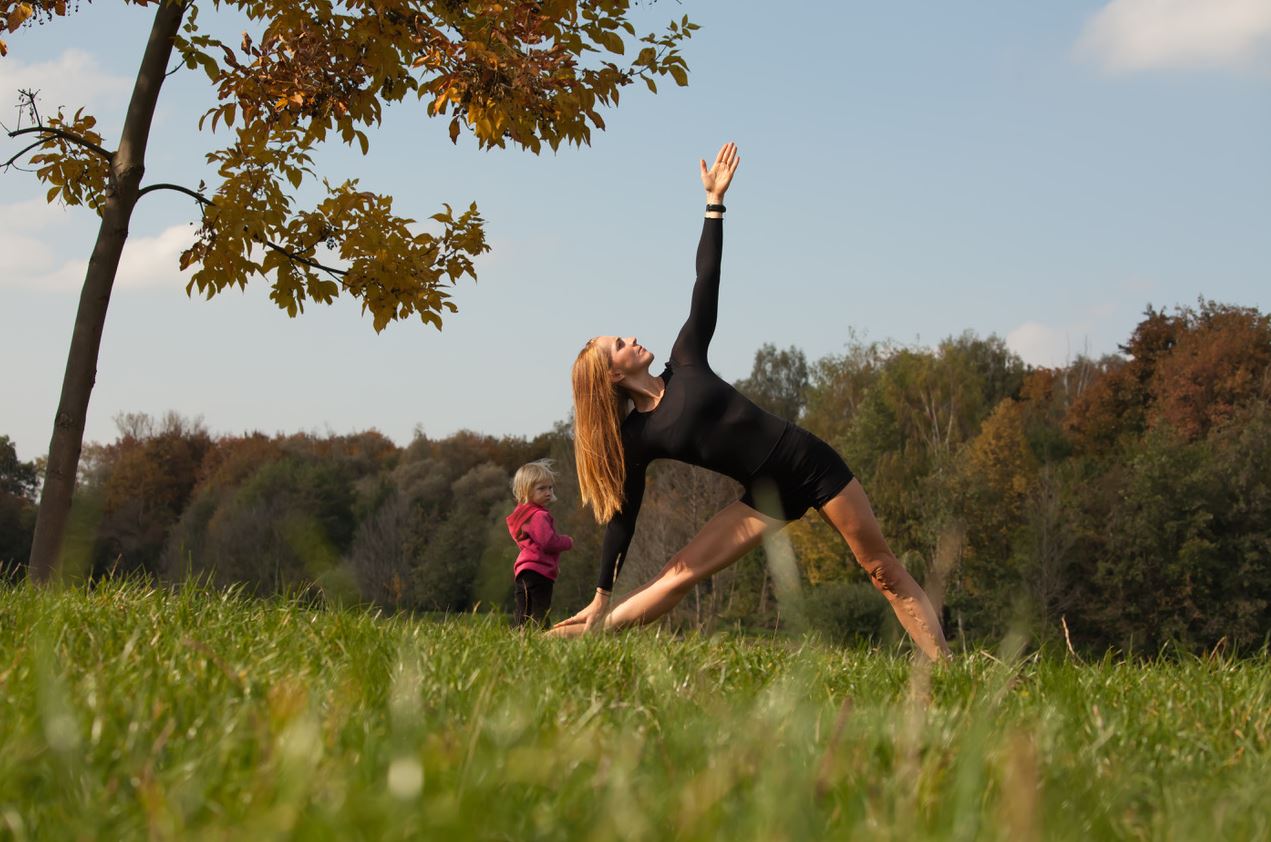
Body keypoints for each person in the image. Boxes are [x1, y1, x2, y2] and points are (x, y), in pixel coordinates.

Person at [554, 142, 950, 660]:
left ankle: (944, 669)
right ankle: (561, 643)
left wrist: (713, 204)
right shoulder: (637, 438)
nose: (630, 339)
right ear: (609, 376)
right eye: (619, 346)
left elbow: (706, 280)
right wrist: (602, 591)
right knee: (677, 575)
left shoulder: (687, 357)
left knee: (880, 568)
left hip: (809, 463)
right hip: (763, 495)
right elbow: (623, 516)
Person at [507, 460, 574, 627]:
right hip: (539, 572)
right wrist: (567, 541)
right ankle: (543, 638)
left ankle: (519, 639)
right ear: (526, 491)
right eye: (541, 488)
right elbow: (548, 542)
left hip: (524, 571)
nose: (548, 492)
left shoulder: (522, 515)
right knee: (540, 611)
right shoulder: (538, 516)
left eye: (550, 487)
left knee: (523, 611)